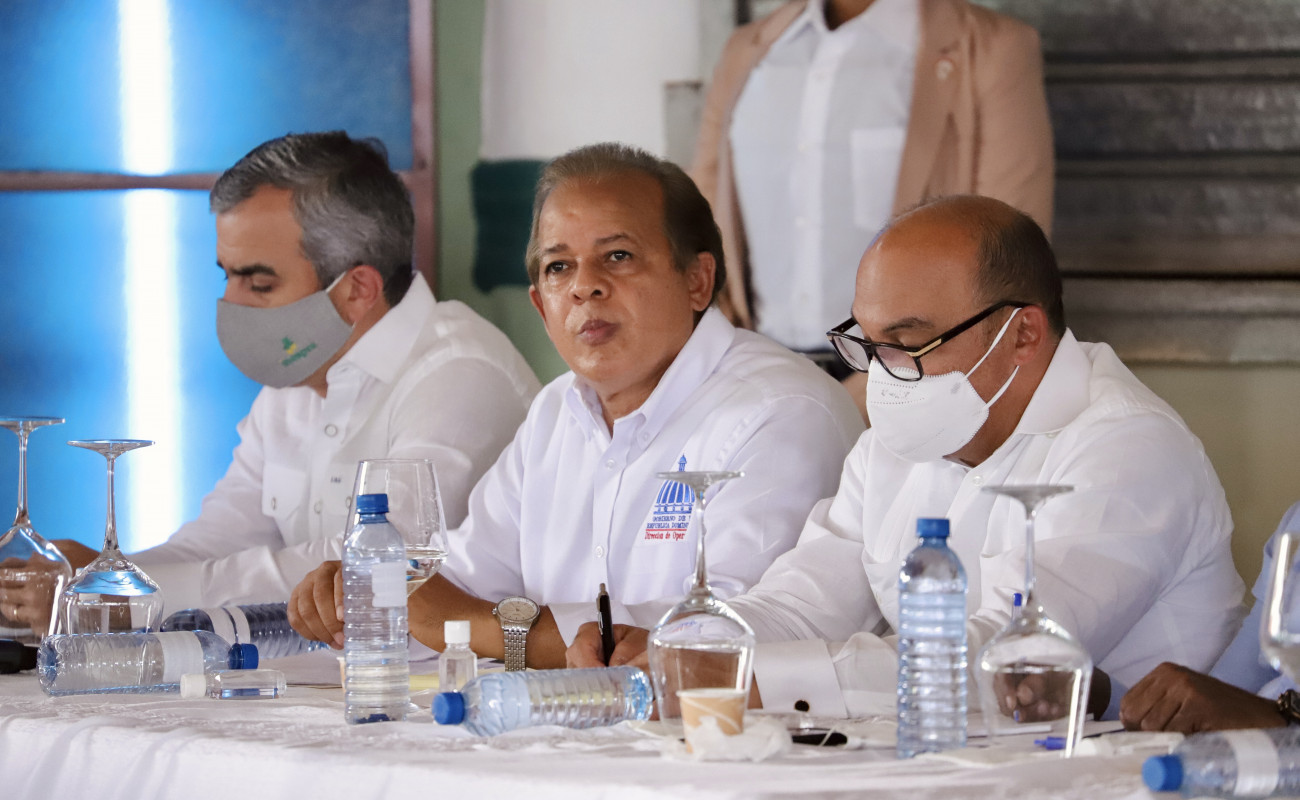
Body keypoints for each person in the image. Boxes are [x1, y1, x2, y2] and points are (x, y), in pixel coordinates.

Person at [570, 195, 1244, 720]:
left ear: (1022, 333)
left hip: (1139, 788)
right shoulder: (899, 443)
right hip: (960, 766)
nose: (882, 373)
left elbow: (1004, 656)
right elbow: (803, 603)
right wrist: (684, 643)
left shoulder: (1128, 448)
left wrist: (748, 680)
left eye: (908, 342)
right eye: (867, 343)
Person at [287, 143, 865, 667]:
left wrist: (468, 623)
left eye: (618, 256)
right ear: (542, 307)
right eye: (559, 267)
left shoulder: (780, 411)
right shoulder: (556, 412)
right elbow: (462, 586)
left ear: (697, 280)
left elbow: (729, 637)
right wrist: (373, 597)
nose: (584, 286)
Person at [0, 131, 540, 630]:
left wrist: (134, 595)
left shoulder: (460, 375)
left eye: (258, 283)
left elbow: (371, 567)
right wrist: (107, 577)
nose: (229, 304)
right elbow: (218, 541)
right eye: (226, 275)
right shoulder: (296, 378)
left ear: (357, 289)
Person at [694, 0, 1054, 416]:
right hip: (754, 388)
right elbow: (701, 226)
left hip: (915, 391)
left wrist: (869, 394)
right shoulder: (746, 50)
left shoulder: (991, 50)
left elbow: (1008, 261)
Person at [1120, 502, 1300, 733]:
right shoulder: (1295, 521)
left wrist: (1282, 718)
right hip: (1246, 747)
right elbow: (1229, 691)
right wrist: (1107, 697)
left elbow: (1251, 710)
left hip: (1276, 747)